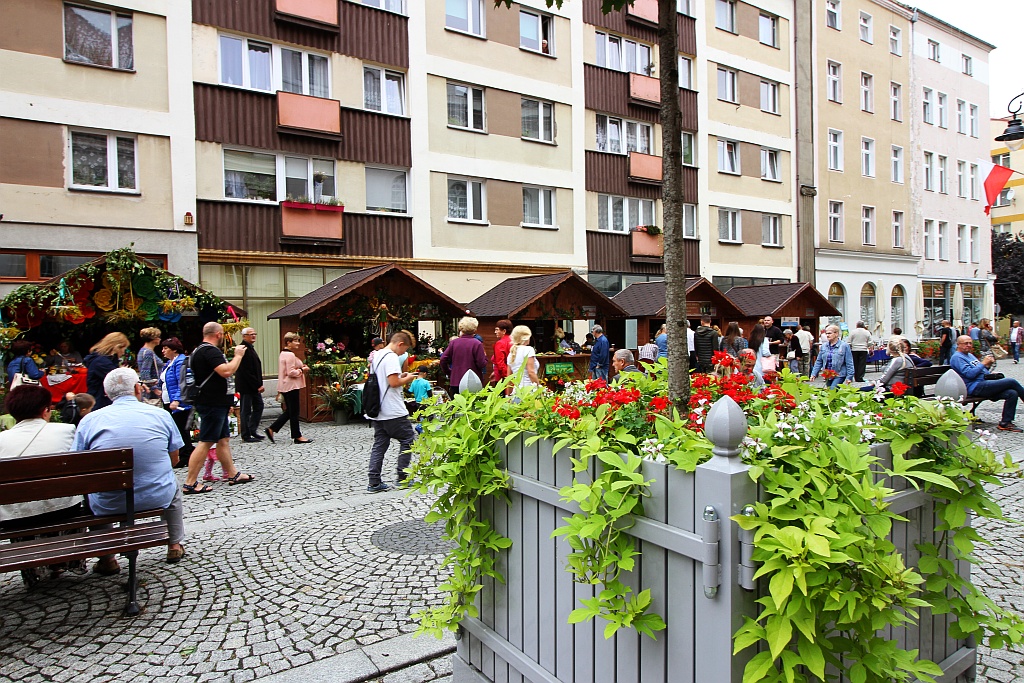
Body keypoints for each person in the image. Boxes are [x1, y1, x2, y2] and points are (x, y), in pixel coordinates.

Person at [72, 368, 186, 570]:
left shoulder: (89, 421)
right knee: (173, 487)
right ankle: (174, 543)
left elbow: (80, 465)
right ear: (137, 389)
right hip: (156, 495)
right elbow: (174, 459)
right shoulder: (160, 415)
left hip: (109, 502)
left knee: (92, 492)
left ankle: (107, 558)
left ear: (106, 394)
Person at [0, 385, 85, 586]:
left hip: (16, 518)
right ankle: (62, 561)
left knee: (24, 506)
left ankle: (35, 568)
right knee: (58, 498)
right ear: (45, 410)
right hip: (64, 511)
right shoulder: (66, 430)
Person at [181, 322, 254, 494]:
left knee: (223, 440)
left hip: (215, 402)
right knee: (205, 442)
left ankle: (233, 474)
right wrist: (238, 356)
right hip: (212, 403)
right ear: (219, 334)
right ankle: (190, 482)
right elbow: (226, 371)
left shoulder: (198, 350)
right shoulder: (210, 351)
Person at [366, 330, 418, 493]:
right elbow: (394, 382)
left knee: (380, 443)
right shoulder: (391, 357)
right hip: (393, 409)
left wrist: (401, 375)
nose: (405, 354)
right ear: (400, 344)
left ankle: (374, 481)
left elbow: (383, 379)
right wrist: (408, 378)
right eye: (405, 349)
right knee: (408, 439)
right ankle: (403, 477)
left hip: (377, 409)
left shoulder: (377, 355)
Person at [950, 335, 1024, 432]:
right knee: (1011, 382)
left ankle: (1005, 423)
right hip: (974, 387)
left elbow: (980, 371)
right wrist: (983, 363)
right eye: (965, 343)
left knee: (1012, 393)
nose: (968, 345)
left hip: (983, 384)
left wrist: (988, 368)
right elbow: (970, 374)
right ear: (958, 345)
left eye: (970, 343)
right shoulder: (957, 357)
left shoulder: (969, 355)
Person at [266, 332, 312, 445]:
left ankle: (272, 429)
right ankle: (297, 436)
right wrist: (302, 370)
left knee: (290, 411)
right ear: (288, 342)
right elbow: (291, 372)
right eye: (295, 341)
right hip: (291, 385)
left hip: (286, 385)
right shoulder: (290, 355)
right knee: (294, 412)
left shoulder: (283, 353)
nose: (297, 343)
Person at [160, 337, 193, 468]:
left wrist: (177, 400)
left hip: (178, 403)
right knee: (176, 429)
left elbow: (183, 382)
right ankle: (183, 454)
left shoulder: (180, 362)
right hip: (168, 400)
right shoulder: (169, 363)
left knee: (181, 429)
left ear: (174, 349)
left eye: (165, 348)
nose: (163, 351)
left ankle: (186, 456)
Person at [439, 317, 488, 395]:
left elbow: (443, 359)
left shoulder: (454, 343)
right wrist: (485, 358)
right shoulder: (477, 344)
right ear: (475, 329)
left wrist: (449, 372)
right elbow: (481, 363)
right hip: (473, 382)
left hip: (456, 381)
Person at [83, 332, 129, 410]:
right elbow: (119, 380)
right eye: (123, 349)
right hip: (100, 401)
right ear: (117, 347)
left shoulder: (103, 360)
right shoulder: (101, 362)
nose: (123, 352)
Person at [235, 328, 265, 443]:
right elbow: (246, 371)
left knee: (259, 406)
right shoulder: (243, 349)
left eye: (254, 334)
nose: (253, 336)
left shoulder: (250, 348)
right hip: (247, 386)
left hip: (253, 385)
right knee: (246, 410)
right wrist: (257, 385)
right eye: (251, 334)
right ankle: (246, 434)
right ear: (244, 336)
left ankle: (252, 429)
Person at [136, 327, 164, 405]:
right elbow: (145, 373)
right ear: (153, 339)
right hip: (151, 392)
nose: (160, 339)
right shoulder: (148, 353)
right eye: (158, 337)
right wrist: (155, 389)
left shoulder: (142, 351)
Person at [491, 319, 513, 384]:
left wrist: (507, 377)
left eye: (497, 329)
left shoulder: (500, 343)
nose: (495, 332)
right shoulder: (513, 341)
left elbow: (500, 363)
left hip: (503, 377)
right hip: (513, 374)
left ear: (504, 331)